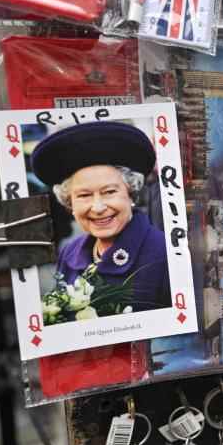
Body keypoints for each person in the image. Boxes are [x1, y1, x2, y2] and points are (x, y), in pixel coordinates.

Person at [31, 121, 169, 321]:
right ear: (70, 204)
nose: (98, 207)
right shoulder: (69, 253)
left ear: (131, 193)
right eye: (84, 195)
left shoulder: (164, 254)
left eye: (109, 192)